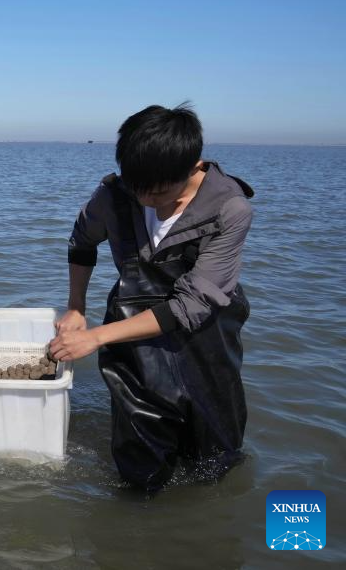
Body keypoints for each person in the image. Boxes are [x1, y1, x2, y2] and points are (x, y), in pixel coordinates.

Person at [49, 103, 254, 491]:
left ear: (195, 167)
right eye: (138, 189)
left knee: (214, 459)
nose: (147, 202)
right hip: (133, 319)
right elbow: (82, 241)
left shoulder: (230, 209)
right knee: (139, 463)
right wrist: (77, 307)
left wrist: (94, 337)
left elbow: (190, 305)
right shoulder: (114, 195)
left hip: (206, 330)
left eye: (159, 193)